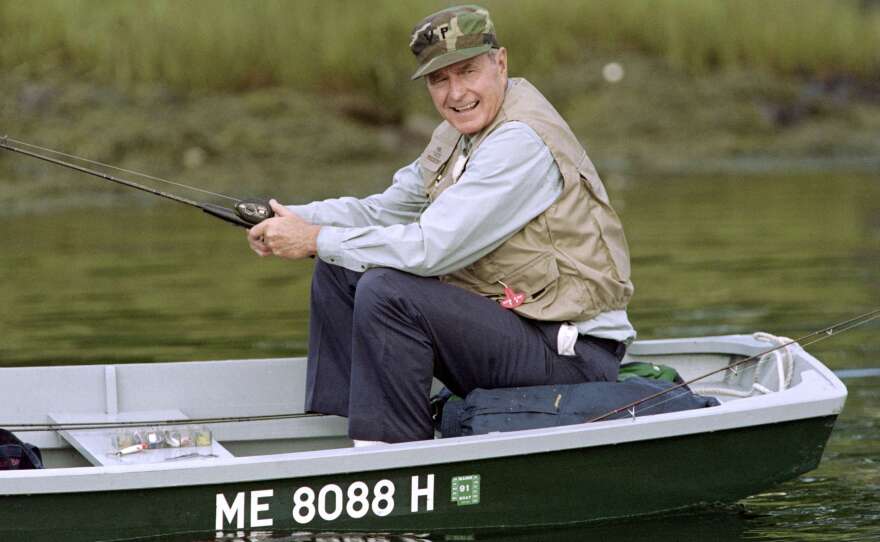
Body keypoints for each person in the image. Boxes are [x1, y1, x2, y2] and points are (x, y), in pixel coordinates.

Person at [247, 5, 635, 445]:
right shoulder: (457, 135)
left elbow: (432, 249)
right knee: (340, 268)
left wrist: (315, 238)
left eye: (467, 71)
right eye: (439, 79)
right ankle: (350, 434)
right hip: (516, 330)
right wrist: (292, 218)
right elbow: (385, 209)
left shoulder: (520, 142)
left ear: (500, 63)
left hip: (572, 358)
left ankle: (398, 460)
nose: (456, 93)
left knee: (386, 291)